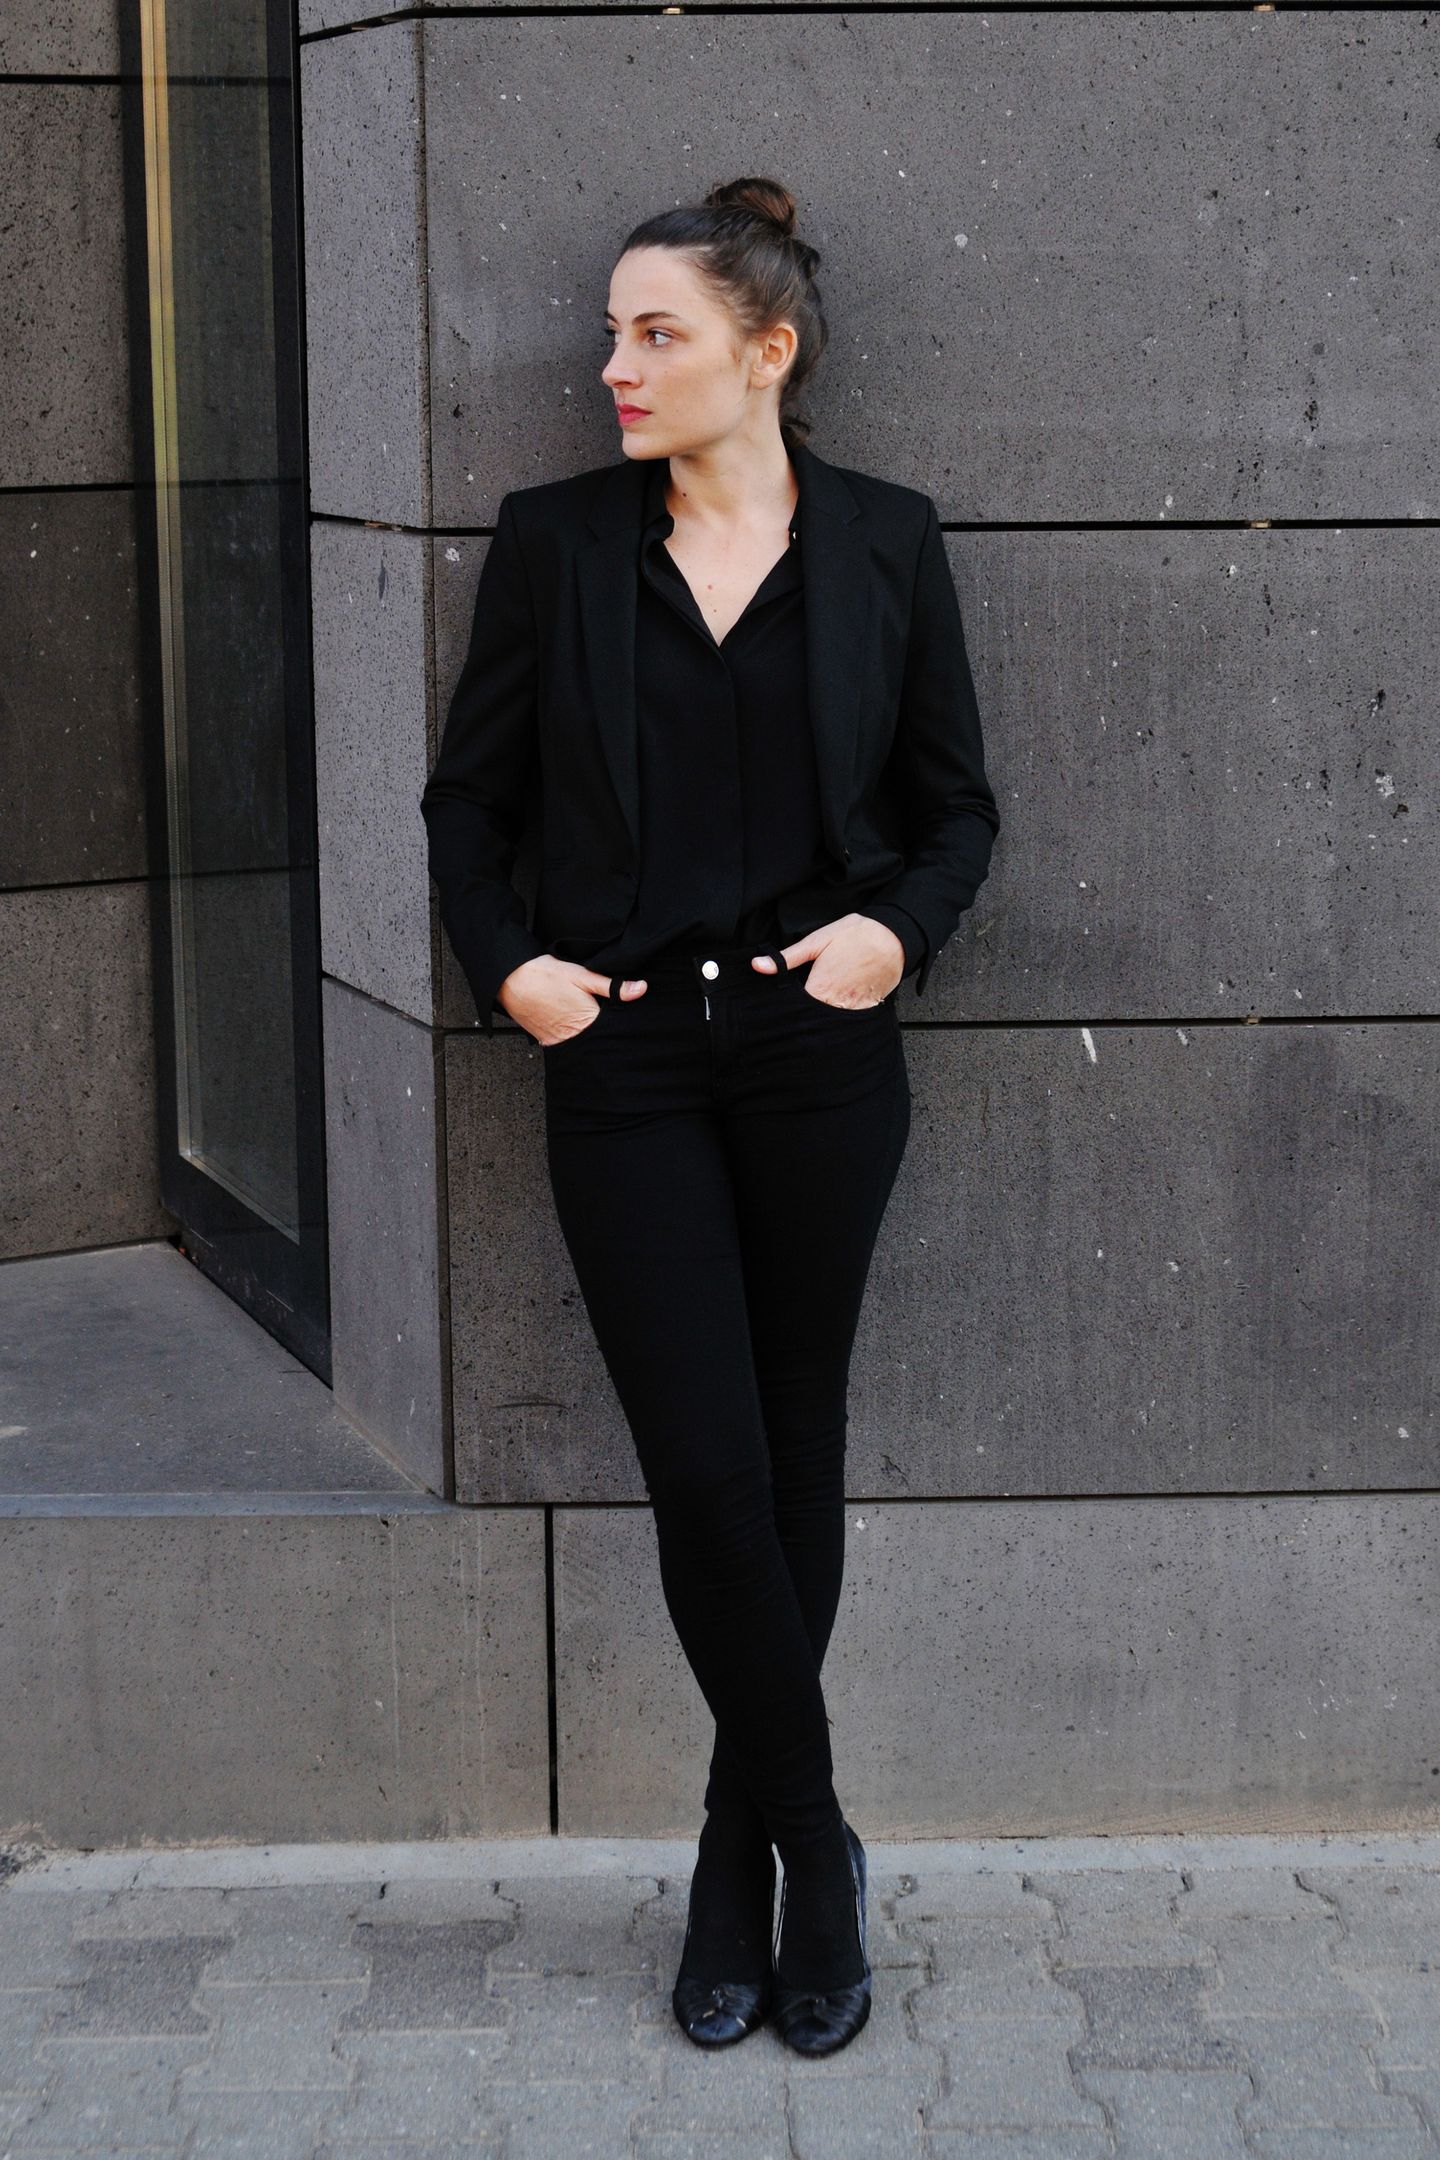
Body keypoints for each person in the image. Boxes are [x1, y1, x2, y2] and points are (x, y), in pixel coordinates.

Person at [421, 176, 1000, 2058]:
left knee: (793, 1443)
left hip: (818, 1055)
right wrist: (511, 967)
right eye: (611, 332)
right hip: (628, 1061)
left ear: (769, 352)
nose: (614, 365)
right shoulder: (558, 543)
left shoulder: (889, 542)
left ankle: (733, 1858)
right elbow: (468, 802)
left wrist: (895, 939)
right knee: (704, 1463)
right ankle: (813, 1841)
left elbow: (956, 808)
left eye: (654, 333)